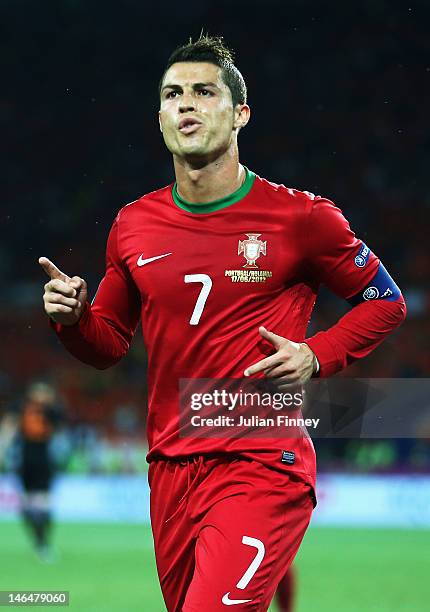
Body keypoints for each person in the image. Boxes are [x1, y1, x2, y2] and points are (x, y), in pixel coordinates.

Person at [38, 35, 406, 611]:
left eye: (204, 92)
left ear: (240, 114)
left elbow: (385, 300)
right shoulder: (133, 225)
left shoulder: (301, 218)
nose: (186, 104)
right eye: (172, 94)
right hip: (171, 468)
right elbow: (108, 344)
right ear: (159, 117)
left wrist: (316, 355)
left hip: (262, 459)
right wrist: (74, 319)